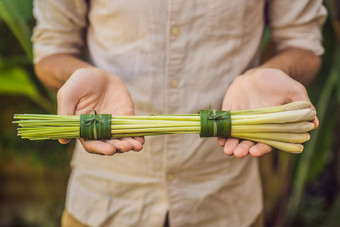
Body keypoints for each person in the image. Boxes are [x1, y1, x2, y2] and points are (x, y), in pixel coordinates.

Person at [32, 0, 326, 226]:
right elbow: (51, 50)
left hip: (226, 203)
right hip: (103, 201)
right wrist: (81, 73)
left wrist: (271, 72)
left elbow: (303, 45)